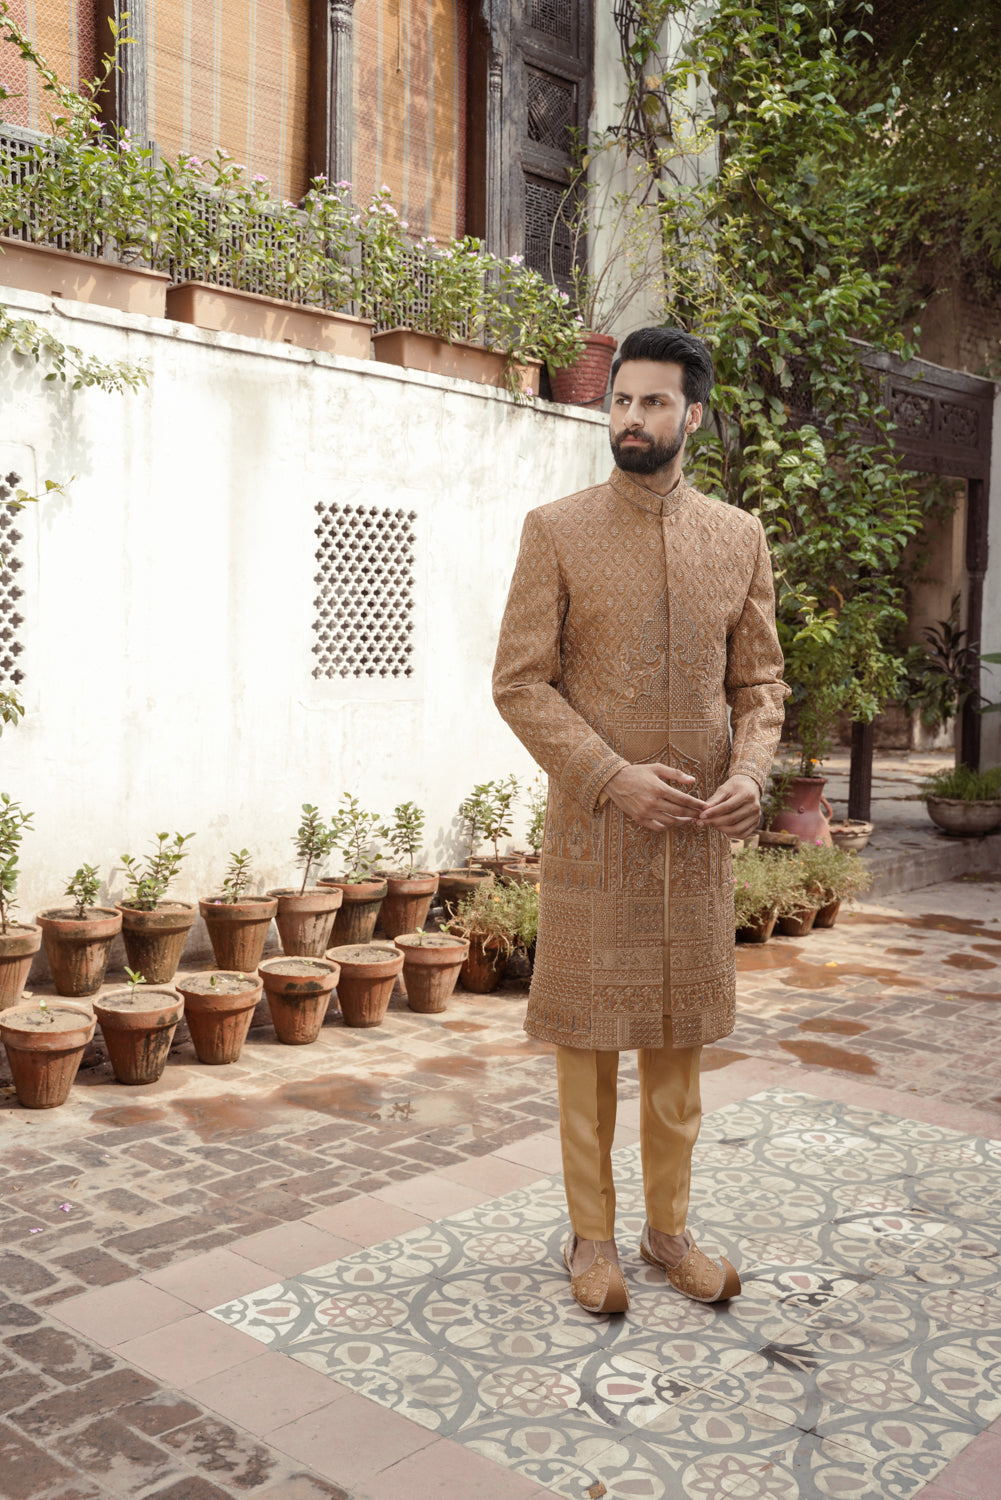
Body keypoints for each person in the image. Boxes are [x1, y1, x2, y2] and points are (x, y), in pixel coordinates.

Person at [492, 326, 788, 1314]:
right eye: (621, 400)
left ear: (691, 415)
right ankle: (591, 1240)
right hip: (596, 838)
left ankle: (668, 1232)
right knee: (587, 1051)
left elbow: (758, 682)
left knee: (676, 1047)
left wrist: (750, 770)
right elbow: (519, 684)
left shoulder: (735, 538)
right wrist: (608, 776)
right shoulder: (557, 530)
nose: (630, 418)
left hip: (696, 843)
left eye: (653, 403)